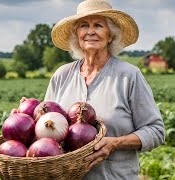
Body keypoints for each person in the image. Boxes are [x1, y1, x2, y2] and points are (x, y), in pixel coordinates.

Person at [44, 0, 165, 179]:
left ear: (110, 35)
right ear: (77, 34)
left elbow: (156, 131)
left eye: (98, 25)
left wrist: (115, 143)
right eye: (84, 25)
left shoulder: (129, 76)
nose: (90, 31)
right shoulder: (62, 75)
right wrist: (27, 115)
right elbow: (44, 127)